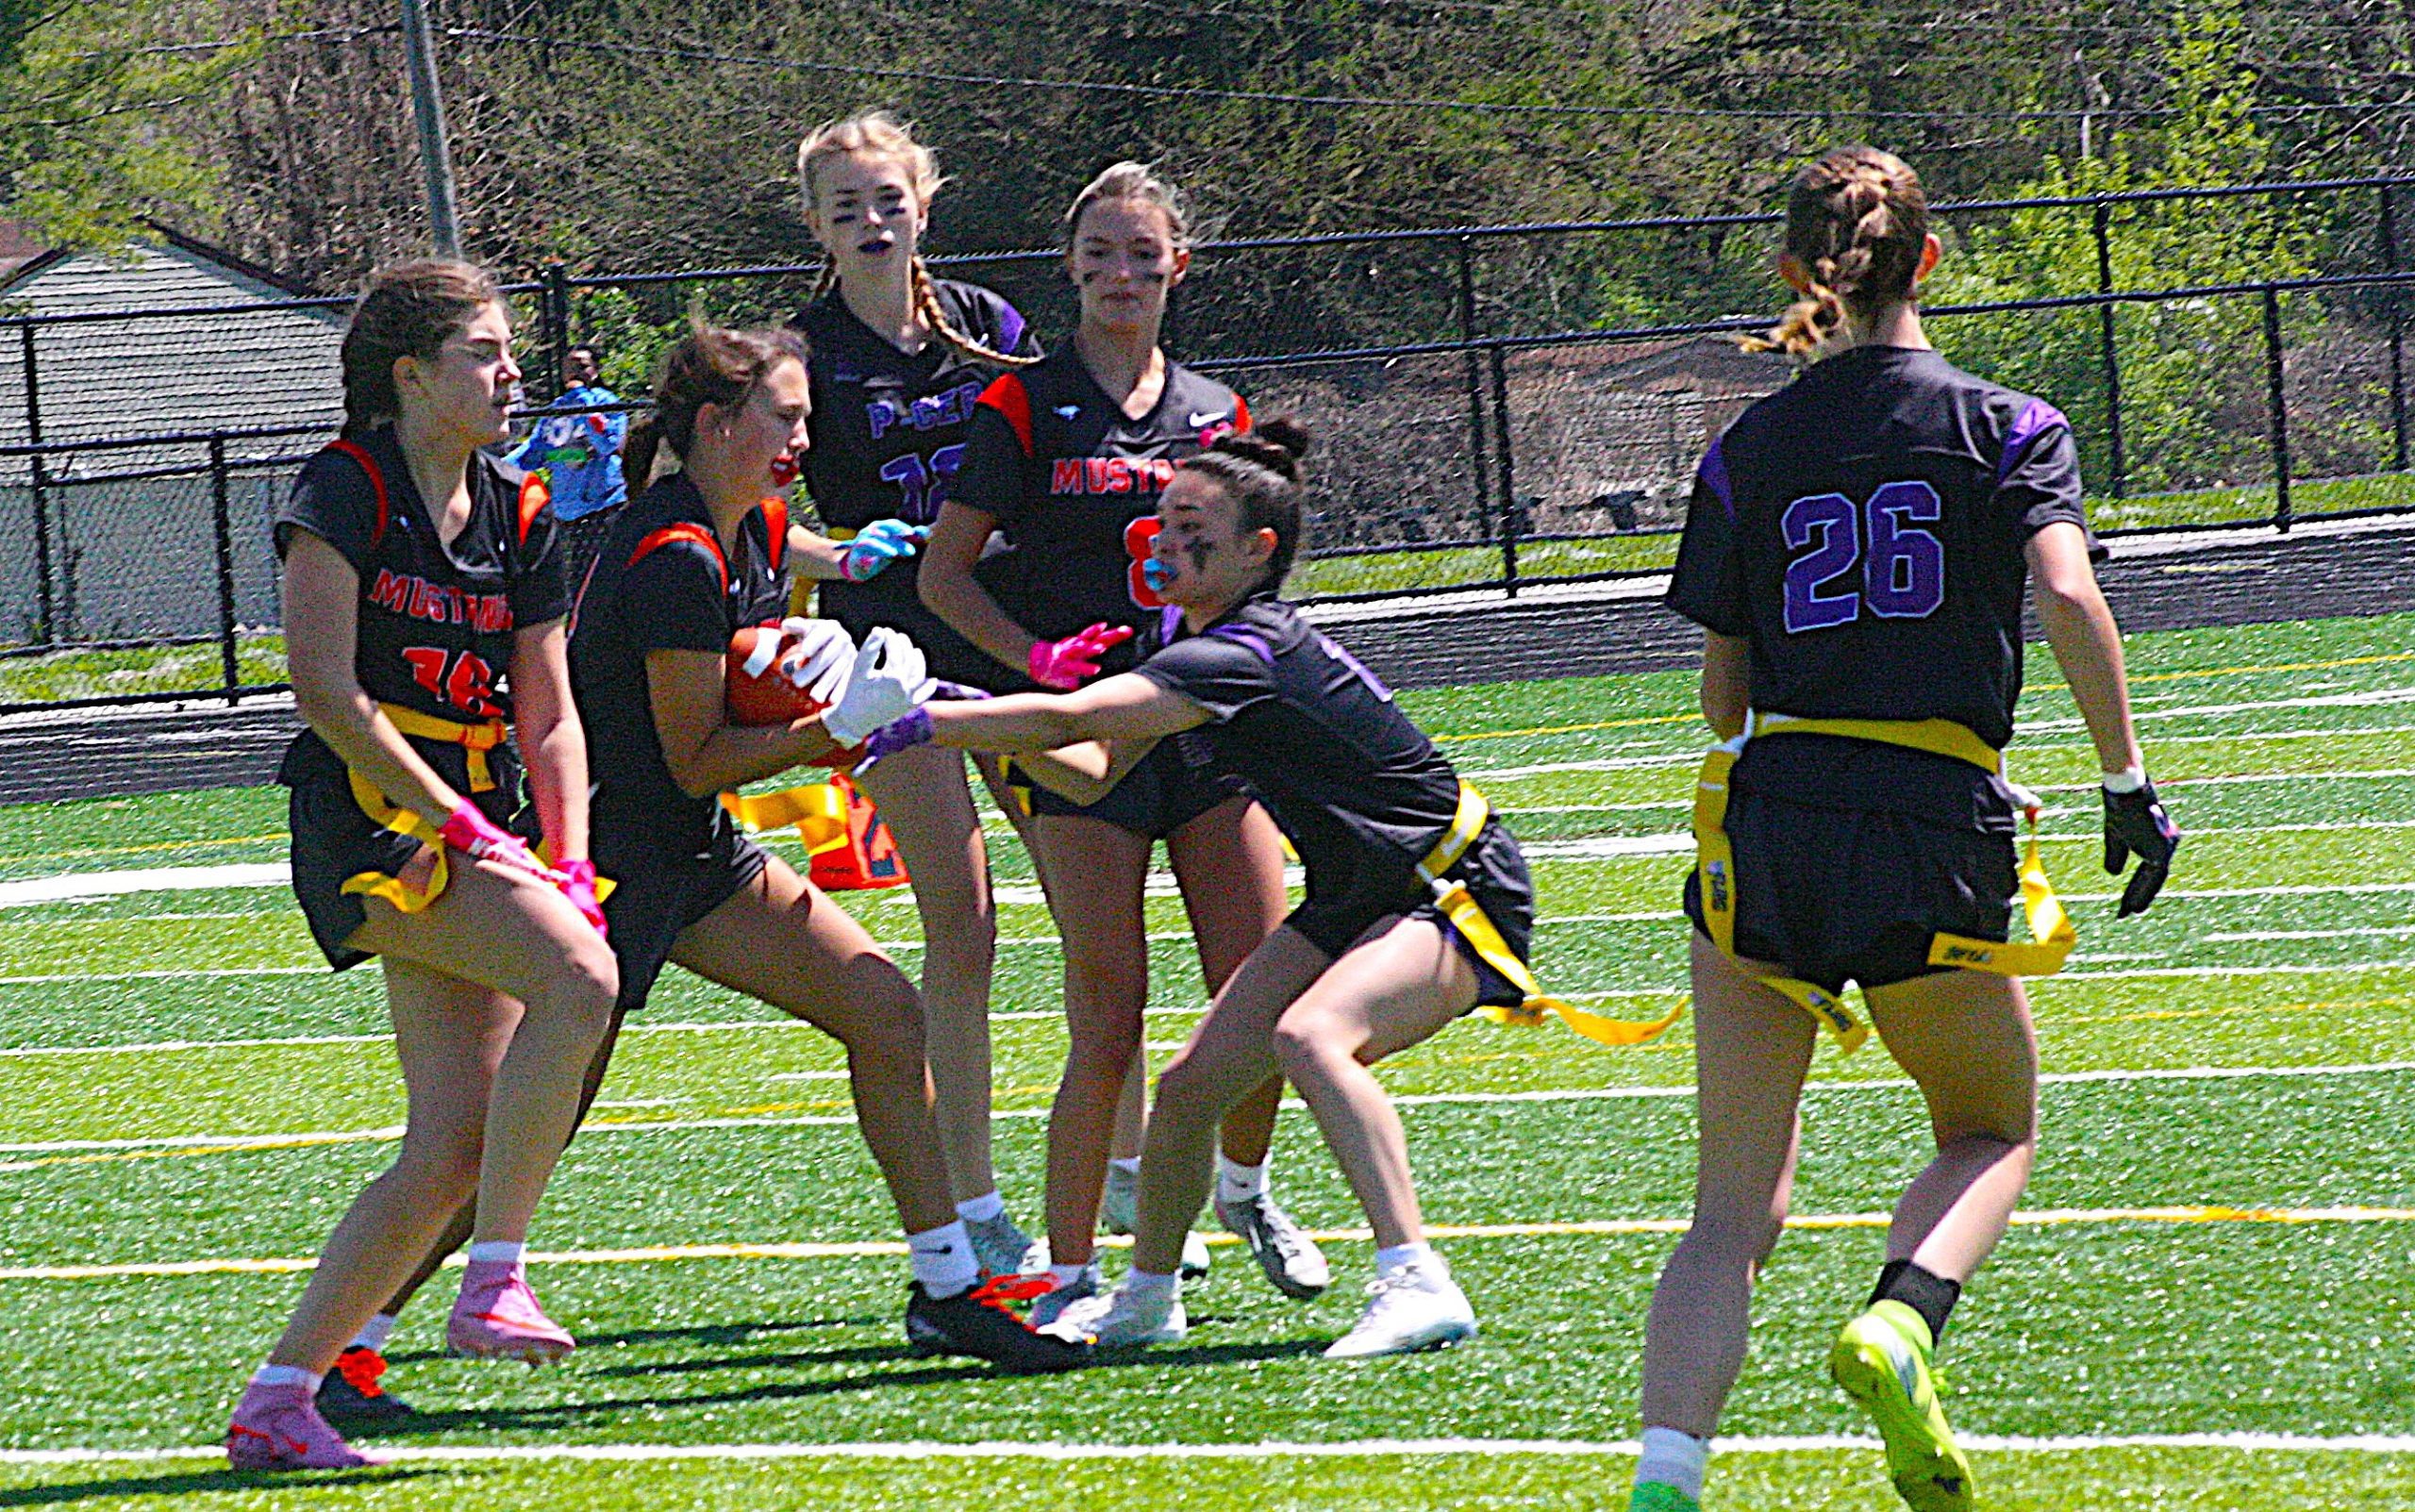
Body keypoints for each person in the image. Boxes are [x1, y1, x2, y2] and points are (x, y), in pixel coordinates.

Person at [859, 422, 1672, 1356]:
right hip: (1362, 887)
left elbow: (1072, 713)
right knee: (1190, 1083)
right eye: (1160, 520)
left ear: (1258, 551)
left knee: (1310, 1036)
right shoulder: (1195, 648)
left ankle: (1417, 1276)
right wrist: (955, 712)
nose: (1161, 541)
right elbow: (1091, 771)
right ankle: (1148, 1294)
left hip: (1449, 882)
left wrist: (922, 717)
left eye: (1190, 525)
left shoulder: (1239, 653)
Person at [1628, 147, 2182, 1512]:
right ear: (1929, 261)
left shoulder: (1749, 445)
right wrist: (2122, 775)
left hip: (1772, 827)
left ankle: (1665, 1478)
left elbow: (1725, 695)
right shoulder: (2008, 424)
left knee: (1729, 1210)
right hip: (1934, 823)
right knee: (1990, 1127)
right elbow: (2066, 596)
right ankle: (1900, 1316)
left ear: (1792, 273)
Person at [564, 322, 1087, 1373]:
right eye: (786, 417)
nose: (804, 436)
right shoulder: (674, 555)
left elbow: (752, 677)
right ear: (717, 428)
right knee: (518, 1132)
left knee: (885, 1008)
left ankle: (947, 1285)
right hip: (612, 867)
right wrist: (843, 720)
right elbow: (696, 760)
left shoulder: (749, 517)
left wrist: (830, 647)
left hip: (694, 857)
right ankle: (347, 1337)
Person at [225, 260, 620, 1470]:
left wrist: (569, 853)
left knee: (450, 1145)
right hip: (367, 823)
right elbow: (325, 691)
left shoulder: (524, 509)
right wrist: (457, 820)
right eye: (486, 354)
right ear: (409, 375)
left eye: (511, 354)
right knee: (585, 983)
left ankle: (281, 1394)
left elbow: (550, 712)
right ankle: (494, 1277)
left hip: (473, 819)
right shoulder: (344, 489)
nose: (513, 375)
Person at [924, 161, 1325, 1321]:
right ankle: (1070, 1271)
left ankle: (1242, 1190)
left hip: (1201, 729)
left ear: (1177, 267)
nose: (1120, 275)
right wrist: (1035, 663)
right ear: (1069, 265)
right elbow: (945, 578)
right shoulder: (1025, 405)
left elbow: (1258, 578)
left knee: (1254, 989)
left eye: (1143, 256)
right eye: (1099, 253)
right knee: (1108, 1007)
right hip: (1085, 742)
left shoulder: (1218, 415)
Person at [781, 110, 1047, 1278]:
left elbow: (1061, 449)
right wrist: (838, 555)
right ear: (816, 227)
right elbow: (734, 513)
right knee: (966, 921)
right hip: (888, 654)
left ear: (924, 204)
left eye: (888, 199)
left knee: (1099, 916)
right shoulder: (797, 355)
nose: (871, 221)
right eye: (846, 207)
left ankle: (1128, 1181)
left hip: (1006, 634)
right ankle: (974, 1197)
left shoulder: (987, 325)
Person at [511, 344, 627, 522]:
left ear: (595, 371)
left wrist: (581, 396)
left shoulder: (607, 402)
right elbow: (533, 455)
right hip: (566, 514)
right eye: (569, 367)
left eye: (582, 366)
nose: (574, 372)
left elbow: (607, 444)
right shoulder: (555, 410)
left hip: (606, 507)